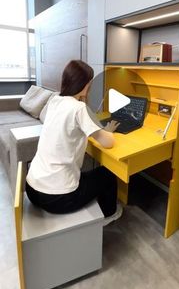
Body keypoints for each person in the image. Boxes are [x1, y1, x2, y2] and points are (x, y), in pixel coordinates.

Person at [26, 60, 122, 225]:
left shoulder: (54, 101)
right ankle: (110, 214)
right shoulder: (78, 109)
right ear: (86, 85)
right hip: (56, 198)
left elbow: (71, 127)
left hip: (32, 189)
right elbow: (109, 143)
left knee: (87, 176)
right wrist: (107, 131)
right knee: (107, 175)